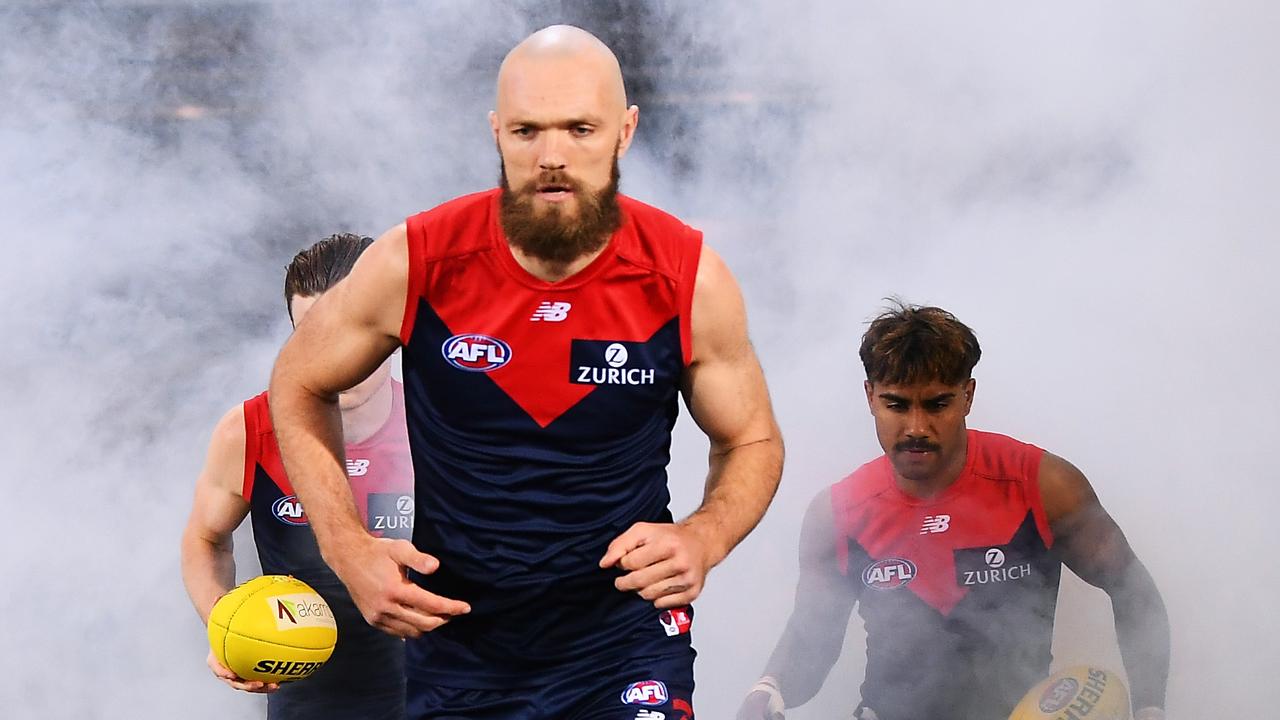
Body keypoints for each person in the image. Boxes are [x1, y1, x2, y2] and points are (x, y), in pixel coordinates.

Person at [266, 24, 784, 720]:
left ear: (624, 132)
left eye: (580, 129)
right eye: (527, 131)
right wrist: (344, 545)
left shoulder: (688, 278)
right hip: (459, 650)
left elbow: (752, 439)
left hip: (623, 644)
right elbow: (298, 381)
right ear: (496, 133)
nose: (553, 157)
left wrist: (705, 534)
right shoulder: (415, 261)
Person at [737, 303, 1170, 720]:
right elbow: (813, 641)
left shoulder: (1042, 485)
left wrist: (1151, 709)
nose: (916, 428)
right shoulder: (837, 513)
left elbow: (1134, 592)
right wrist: (769, 689)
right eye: (897, 404)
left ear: (968, 396)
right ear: (870, 396)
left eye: (937, 404)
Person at [181, 233, 413, 720]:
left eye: (354, 329)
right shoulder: (250, 429)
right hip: (308, 703)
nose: (335, 355)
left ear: (392, 324)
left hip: (443, 693)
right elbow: (206, 538)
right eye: (312, 333)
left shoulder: (441, 425)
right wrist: (226, 628)